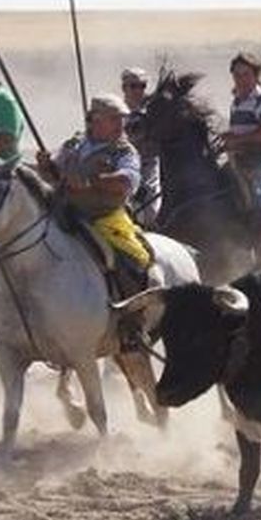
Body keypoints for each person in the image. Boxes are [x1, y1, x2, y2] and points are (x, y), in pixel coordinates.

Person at [38, 95, 151, 348]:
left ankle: (131, 324)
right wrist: (46, 166)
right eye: (113, 119)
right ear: (94, 120)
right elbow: (54, 174)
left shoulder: (124, 151)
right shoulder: (73, 145)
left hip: (104, 218)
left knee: (131, 259)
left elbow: (126, 182)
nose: (120, 124)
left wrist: (92, 182)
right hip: (64, 214)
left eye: (121, 119)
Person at [216, 52, 261, 243]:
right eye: (237, 75)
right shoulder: (236, 103)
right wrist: (229, 138)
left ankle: (254, 247)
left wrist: (237, 141)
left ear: (256, 76)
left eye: (246, 74)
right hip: (240, 164)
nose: (241, 79)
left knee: (260, 200)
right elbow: (241, 133)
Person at [120, 67, 160, 227]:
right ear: (124, 88)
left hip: (148, 171)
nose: (138, 91)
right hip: (122, 170)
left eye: (142, 86)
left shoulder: (153, 114)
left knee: (151, 212)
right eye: (133, 86)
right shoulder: (116, 114)